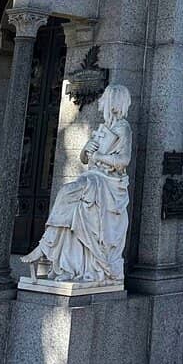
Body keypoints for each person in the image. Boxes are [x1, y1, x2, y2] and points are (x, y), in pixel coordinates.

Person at [22, 83, 132, 283]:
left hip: (106, 182)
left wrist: (99, 156)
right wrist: (86, 149)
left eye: (105, 98)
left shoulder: (123, 129)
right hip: (93, 177)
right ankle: (69, 264)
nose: (101, 101)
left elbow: (124, 161)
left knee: (67, 192)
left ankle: (43, 247)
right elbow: (84, 159)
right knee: (72, 206)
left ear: (114, 101)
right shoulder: (103, 128)